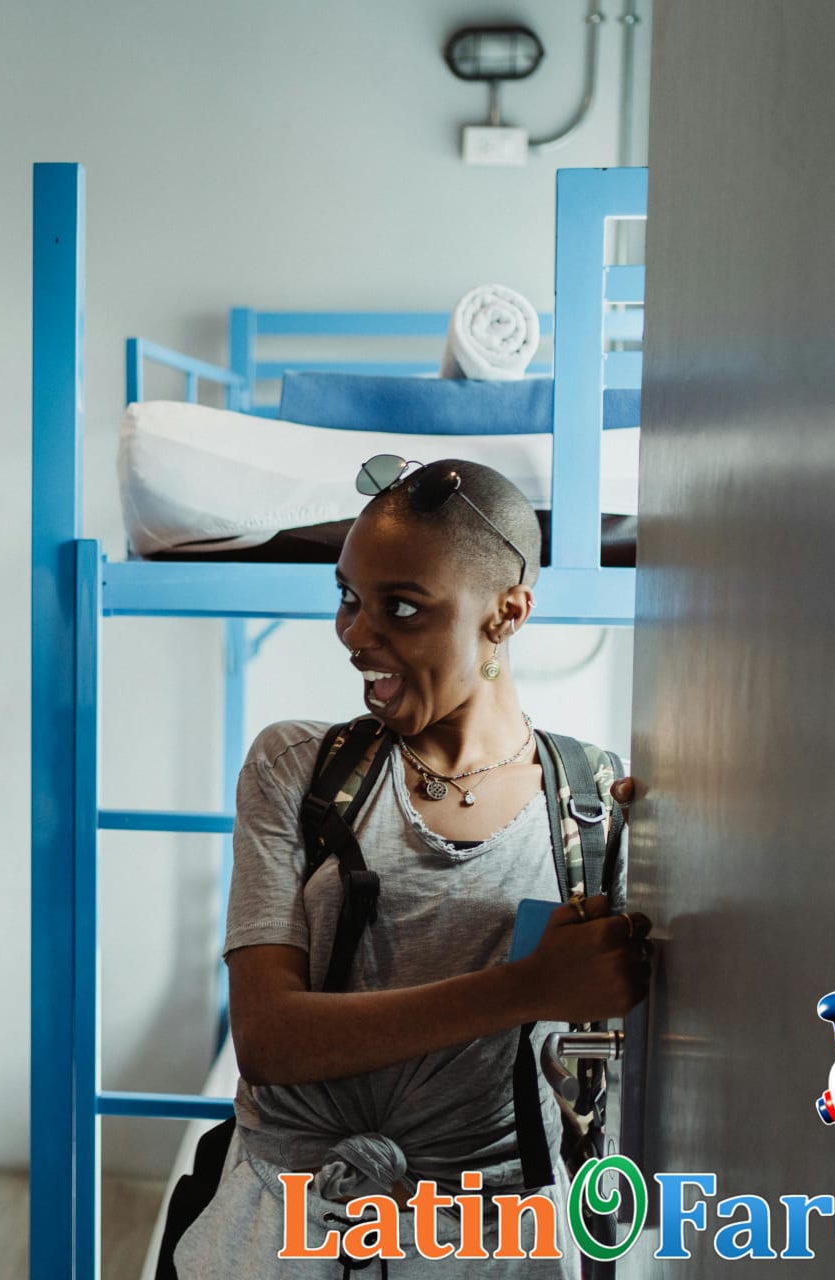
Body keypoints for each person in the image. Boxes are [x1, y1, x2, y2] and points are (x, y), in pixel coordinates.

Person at [173, 457, 651, 1278]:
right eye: (349, 599)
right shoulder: (299, 770)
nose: (358, 634)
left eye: (402, 608)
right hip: (292, 1222)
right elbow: (267, 1039)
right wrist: (526, 989)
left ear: (507, 613)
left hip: (490, 1240)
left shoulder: (594, 806)